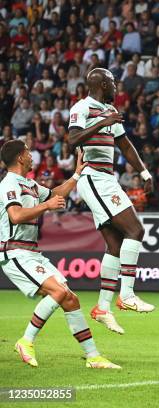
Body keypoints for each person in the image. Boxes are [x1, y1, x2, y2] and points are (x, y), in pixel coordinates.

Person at [0, 140, 119, 369]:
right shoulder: (9, 184)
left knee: (70, 298)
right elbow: (15, 215)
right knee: (58, 291)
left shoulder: (29, 183)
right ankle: (26, 340)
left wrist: (76, 174)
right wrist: (47, 206)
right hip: (14, 251)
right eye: (28, 152)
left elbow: (54, 194)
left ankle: (93, 356)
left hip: (31, 252)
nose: (32, 155)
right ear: (20, 158)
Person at [68, 68, 155, 336]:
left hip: (107, 178)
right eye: (113, 82)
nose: (116, 86)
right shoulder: (82, 107)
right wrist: (101, 123)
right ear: (103, 84)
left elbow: (125, 145)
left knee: (115, 245)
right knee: (136, 231)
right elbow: (73, 139)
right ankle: (126, 294)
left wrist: (144, 172)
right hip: (93, 176)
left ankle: (103, 308)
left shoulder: (109, 110)